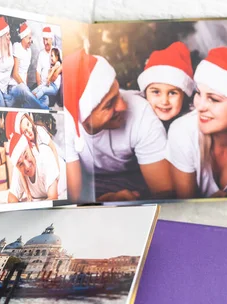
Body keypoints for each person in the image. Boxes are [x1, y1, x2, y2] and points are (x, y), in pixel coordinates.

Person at [63, 49, 173, 203]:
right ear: (84, 116)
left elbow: (165, 193)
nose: (122, 106)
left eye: (118, 94)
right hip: (91, 187)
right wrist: (103, 201)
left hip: (136, 185)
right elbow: (73, 200)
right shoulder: (66, 125)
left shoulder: (141, 114)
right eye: (109, 105)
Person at [166, 47, 227, 198]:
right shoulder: (182, 132)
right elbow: (185, 208)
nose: (199, 106)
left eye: (213, 99)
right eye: (198, 93)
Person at [137, 42, 195, 132]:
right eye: (156, 92)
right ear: (145, 93)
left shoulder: (192, 125)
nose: (164, 101)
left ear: (184, 95)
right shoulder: (139, 123)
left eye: (172, 93)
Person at [7, 131, 60, 203]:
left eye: (26, 155)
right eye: (21, 164)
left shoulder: (45, 155)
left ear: (31, 148)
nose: (27, 166)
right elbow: (11, 198)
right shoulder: (18, 169)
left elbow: (53, 197)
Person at [8, 22, 45, 109]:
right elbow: (15, 74)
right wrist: (27, 90)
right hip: (15, 87)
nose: (30, 41)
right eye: (29, 38)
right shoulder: (16, 47)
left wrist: (28, 90)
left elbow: (26, 73)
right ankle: (43, 109)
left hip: (24, 88)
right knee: (24, 90)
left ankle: (27, 103)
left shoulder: (29, 51)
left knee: (45, 97)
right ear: (23, 38)